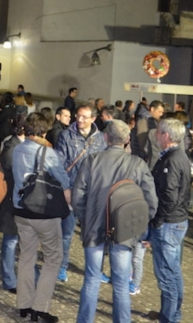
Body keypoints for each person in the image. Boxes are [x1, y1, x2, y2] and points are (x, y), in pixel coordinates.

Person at [72, 120, 158, 323]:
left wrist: (86, 218)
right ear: (127, 139)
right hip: (124, 229)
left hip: (94, 227)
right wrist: (138, 226)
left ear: (105, 138)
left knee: (92, 280)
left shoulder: (92, 160)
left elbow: (77, 197)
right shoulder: (138, 164)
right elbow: (151, 202)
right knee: (121, 284)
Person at [11, 113, 69, 323]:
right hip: (43, 212)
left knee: (27, 257)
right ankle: (40, 308)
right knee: (53, 258)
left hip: (20, 209)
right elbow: (64, 181)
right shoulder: (47, 152)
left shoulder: (17, 149)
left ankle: (24, 305)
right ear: (44, 132)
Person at [53, 102, 107, 282]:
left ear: (93, 119)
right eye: (78, 116)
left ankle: (96, 270)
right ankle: (61, 266)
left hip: (92, 193)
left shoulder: (101, 139)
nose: (80, 119)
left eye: (84, 117)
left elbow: (104, 165)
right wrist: (65, 188)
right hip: (70, 190)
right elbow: (58, 164)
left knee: (94, 234)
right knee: (66, 233)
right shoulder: (66, 135)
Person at [149, 118, 191, 323]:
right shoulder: (178, 156)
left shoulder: (172, 160)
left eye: (158, 132)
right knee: (173, 271)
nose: (156, 135)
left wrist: (157, 220)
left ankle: (169, 317)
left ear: (166, 135)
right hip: (176, 220)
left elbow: (169, 196)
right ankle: (172, 312)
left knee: (166, 275)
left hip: (169, 223)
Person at [0, 113, 26, 294]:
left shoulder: (22, 145)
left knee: (18, 240)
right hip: (12, 200)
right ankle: (9, 279)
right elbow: (12, 173)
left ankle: (23, 276)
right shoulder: (12, 147)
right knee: (11, 240)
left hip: (20, 199)